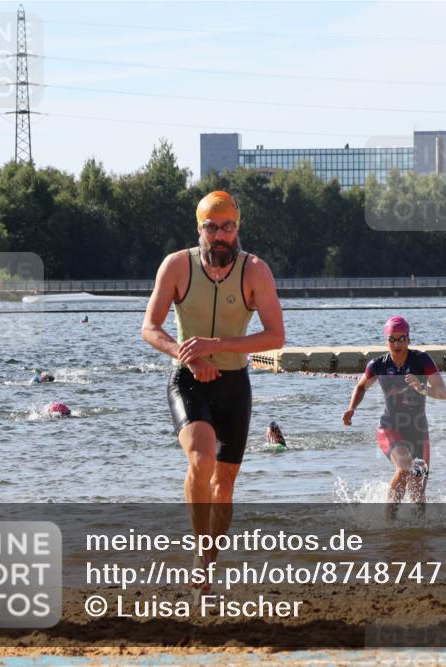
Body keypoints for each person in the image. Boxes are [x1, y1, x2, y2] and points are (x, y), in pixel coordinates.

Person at [141, 190, 285, 593]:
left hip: (234, 384)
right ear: (199, 228)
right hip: (187, 378)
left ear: (237, 228)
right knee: (201, 459)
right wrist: (186, 354)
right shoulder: (177, 266)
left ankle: (208, 561)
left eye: (227, 226)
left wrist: (217, 345)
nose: (220, 235)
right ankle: (197, 555)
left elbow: (276, 336)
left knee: (224, 488)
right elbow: (149, 327)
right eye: (211, 226)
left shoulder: (254, 270)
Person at [343, 316, 446, 512]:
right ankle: (388, 522)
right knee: (405, 467)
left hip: (418, 430)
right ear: (386, 341)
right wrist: (352, 408)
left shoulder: (421, 360)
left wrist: (421, 387)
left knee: (418, 495)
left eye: (402, 338)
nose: (397, 343)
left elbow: (443, 393)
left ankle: (417, 536)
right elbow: (361, 386)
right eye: (392, 339)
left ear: (409, 339)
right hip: (389, 428)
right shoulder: (378, 365)